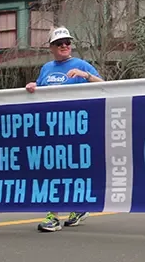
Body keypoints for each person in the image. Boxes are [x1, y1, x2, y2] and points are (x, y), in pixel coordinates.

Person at [25, 27, 104, 232]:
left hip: (76, 126)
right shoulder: (47, 68)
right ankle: (54, 215)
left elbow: (105, 86)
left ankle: (76, 208)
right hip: (51, 127)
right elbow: (41, 91)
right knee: (52, 169)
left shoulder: (80, 64)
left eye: (67, 42)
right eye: (59, 43)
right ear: (51, 47)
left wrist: (85, 75)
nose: (64, 46)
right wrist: (33, 87)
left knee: (73, 170)